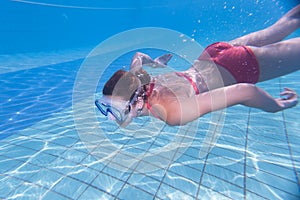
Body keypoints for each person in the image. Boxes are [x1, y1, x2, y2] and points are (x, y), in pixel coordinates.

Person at [96, 4, 300, 127]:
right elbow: (138, 55)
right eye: (107, 109)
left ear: (136, 102)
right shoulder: (137, 77)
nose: (110, 117)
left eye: (113, 111)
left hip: (237, 68)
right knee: (285, 24)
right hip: (212, 54)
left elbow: (245, 91)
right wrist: (155, 64)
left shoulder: (172, 112)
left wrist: (277, 106)